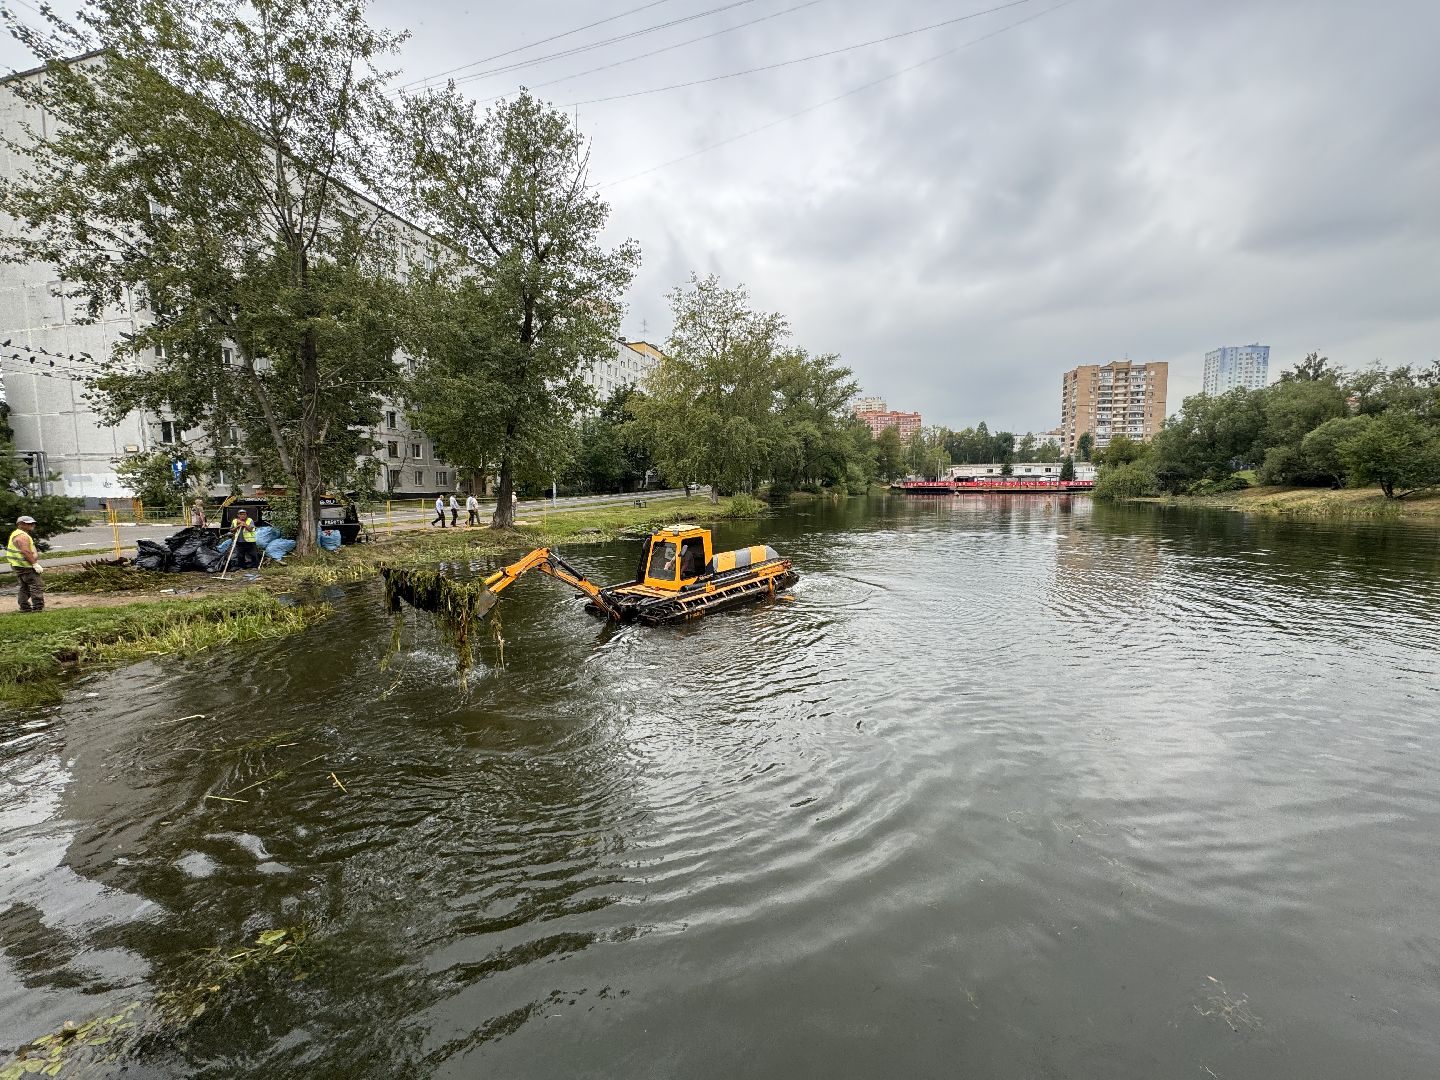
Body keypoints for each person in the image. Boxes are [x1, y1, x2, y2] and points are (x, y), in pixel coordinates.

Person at [6, 515, 45, 612]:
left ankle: (24, 607)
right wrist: (35, 564)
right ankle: (38, 608)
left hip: (17, 565)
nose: (32, 525)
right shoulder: (22, 536)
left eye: (33, 523)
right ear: (20, 524)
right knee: (37, 585)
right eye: (29, 523)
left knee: (25, 587)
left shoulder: (17, 533)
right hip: (25, 566)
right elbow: (25, 551)